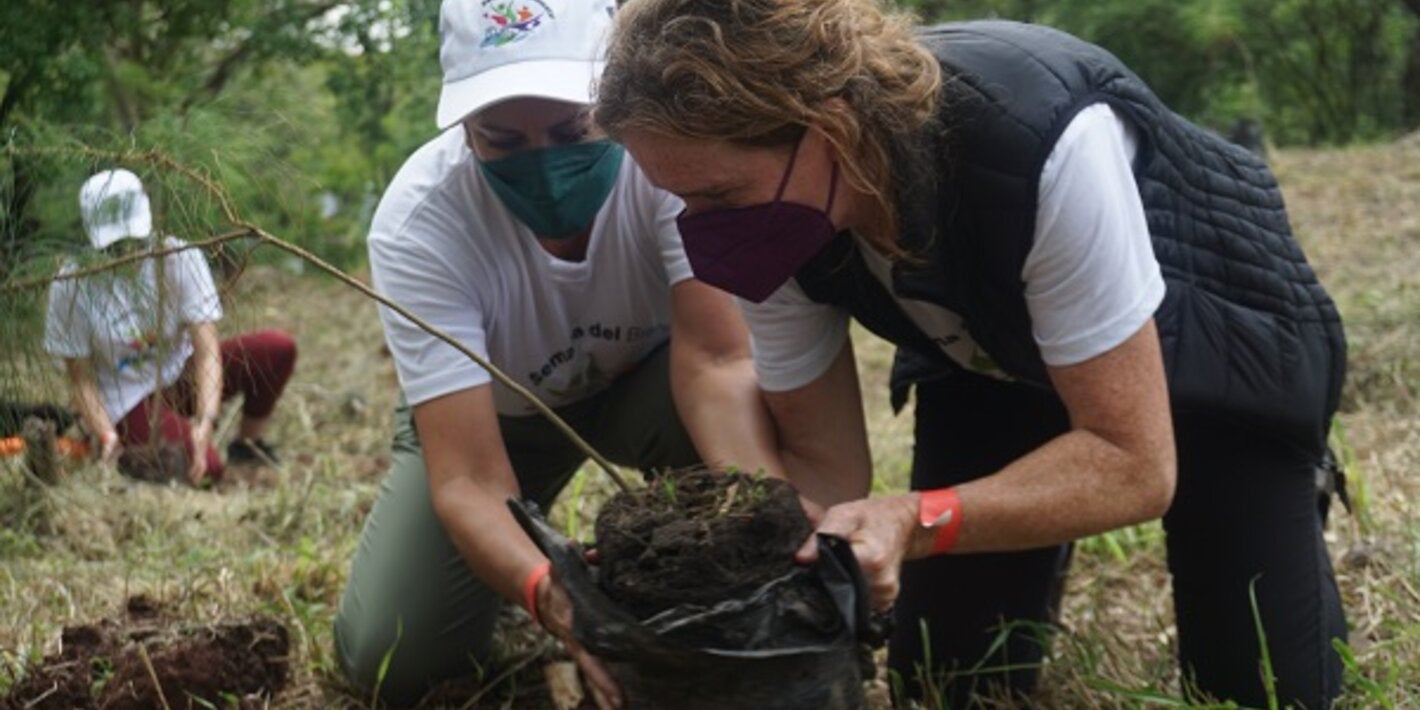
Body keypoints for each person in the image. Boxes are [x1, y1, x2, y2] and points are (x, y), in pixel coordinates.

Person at [595, 2, 1348, 708]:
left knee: (1262, 688)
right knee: (947, 681)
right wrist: (736, 571)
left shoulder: (1036, 139)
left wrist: (919, 520)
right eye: (678, 200)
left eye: (717, 197)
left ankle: (1276, 488)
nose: (700, 232)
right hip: (991, 360)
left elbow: (1133, 466)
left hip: (1215, 357)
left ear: (828, 127)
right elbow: (825, 467)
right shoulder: (772, 220)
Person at [331, 1, 775, 706]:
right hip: (497, 419)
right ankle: (505, 578)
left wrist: (768, 527)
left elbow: (719, 361)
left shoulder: (669, 163)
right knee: (390, 655)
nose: (547, 163)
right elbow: (470, 479)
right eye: (503, 140)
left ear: (616, 98)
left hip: (657, 391)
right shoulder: (419, 225)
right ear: (463, 130)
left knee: (756, 423)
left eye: (575, 128)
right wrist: (555, 598)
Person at [43, 169, 297, 485]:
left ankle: (247, 445)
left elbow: (207, 352)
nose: (127, 252)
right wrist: (106, 434)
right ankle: (142, 445)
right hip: (129, 397)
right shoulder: (71, 285)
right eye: (114, 246)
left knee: (277, 348)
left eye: (134, 241)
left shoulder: (179, 257)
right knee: (205, 472)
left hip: (181, 375)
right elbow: (80, 379)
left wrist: (206, 419)